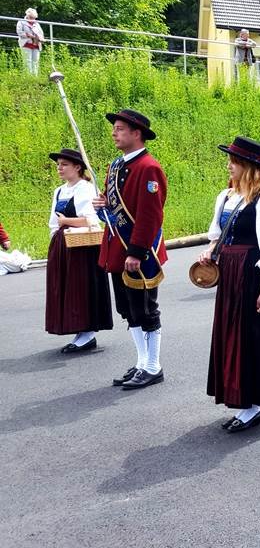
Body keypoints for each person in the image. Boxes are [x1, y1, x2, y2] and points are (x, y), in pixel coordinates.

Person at [199, 136, 260, 433]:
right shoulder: (226, 196)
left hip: (252, 273)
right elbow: (218, 233)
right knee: (232, 335)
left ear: (248, 167)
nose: (229, 166)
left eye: (234, 162)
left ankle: (254, 406)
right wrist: (211, 249)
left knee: (251, 337)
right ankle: (240, 398)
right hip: (230, 273)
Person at [93, 109, 167, 390]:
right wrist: (103, 206)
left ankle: (153, 366)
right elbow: (114, 205)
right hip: (117, 249)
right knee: (128, 310)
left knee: (146, 309)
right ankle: (141, 362)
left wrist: (136, 252)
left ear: (137, 133)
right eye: (115, 128)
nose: (114, 132)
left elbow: (150, 216)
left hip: (138, 253)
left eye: (120, 128)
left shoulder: (149, 168)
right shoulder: (116, 166)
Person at [45, 148, 113, 353]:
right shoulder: (59, 190)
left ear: (77, 167)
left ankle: (87, 333)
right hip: (63, 245)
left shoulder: (85, 188)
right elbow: (53, 222)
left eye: (64, 164)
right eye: (58, 165)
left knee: (81, 288)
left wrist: (66, 221)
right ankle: (77, 330)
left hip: (82, 246)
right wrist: (55, 241)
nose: (60, 168)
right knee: (66, 288)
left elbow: (91, 220)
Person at [16, 8, 45, 76]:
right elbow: (19, 32)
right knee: (27, 61)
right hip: (26, 43)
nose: (32, 19)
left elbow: (41, 33)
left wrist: (40, 37)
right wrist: (28, 35)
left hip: (36, 44)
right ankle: (28, 76)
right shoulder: (21, 22)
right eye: (31, 18)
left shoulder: (37, 24)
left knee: (35, 61)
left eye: (34, 18)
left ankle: (35, 77)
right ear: (27, 16)